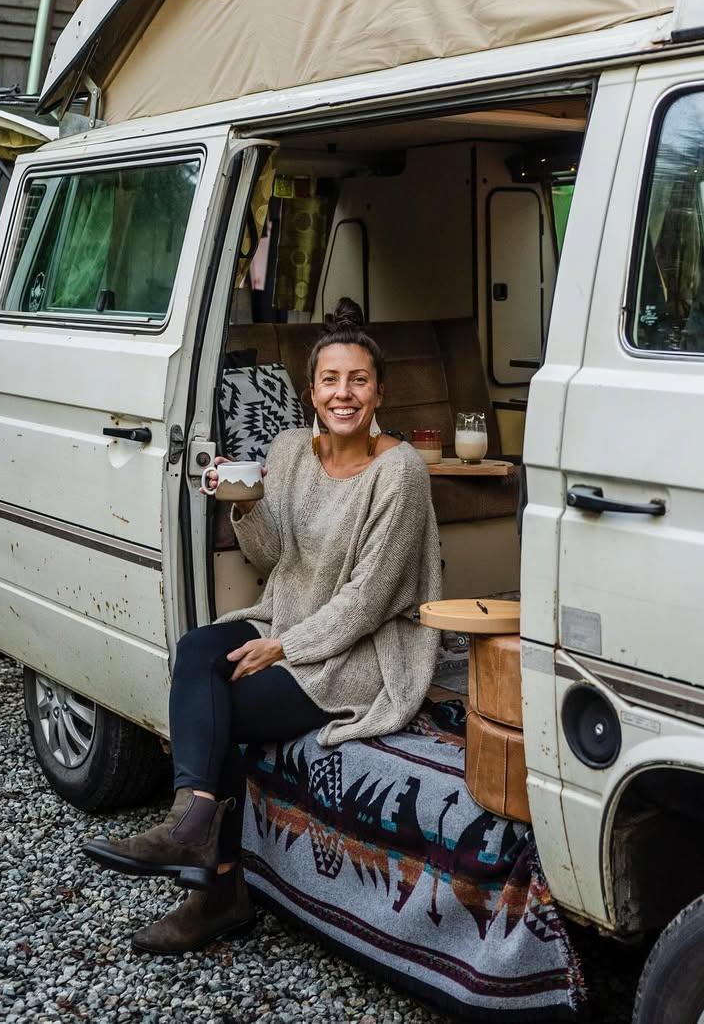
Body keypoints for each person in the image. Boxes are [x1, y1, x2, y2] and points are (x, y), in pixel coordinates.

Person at [84, 298, 443, 953]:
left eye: (358, 380)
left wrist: (284, 647)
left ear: (380, 392)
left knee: (224, 703)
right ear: (311, 391)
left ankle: (213, 886)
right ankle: (195, 821)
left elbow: (368, 601)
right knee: (198, 651)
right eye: (331, 380)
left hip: (361, 654)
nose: (344, 393)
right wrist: (246, 503)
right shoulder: (288, 450)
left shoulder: (401, 473)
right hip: (286, 619)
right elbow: (273, 557)